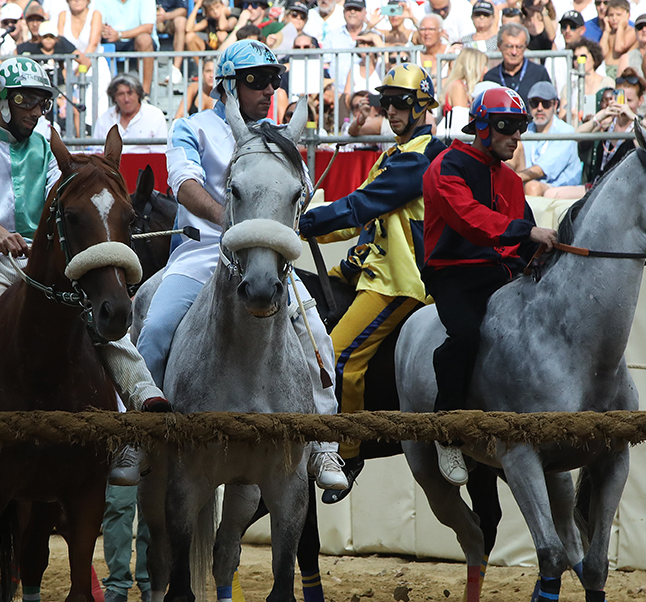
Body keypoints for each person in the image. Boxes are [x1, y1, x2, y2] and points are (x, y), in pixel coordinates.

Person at [0, 56, 167, 482]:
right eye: (24, 99)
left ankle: (141, 394)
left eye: (40, 101)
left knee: (98, 310)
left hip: (39, 262)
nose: (34, 109)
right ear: (1, 102)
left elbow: (64, 198)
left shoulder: (45, 145)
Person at [140, 40, 348, 491]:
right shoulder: (189, 127)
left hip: (267, 259)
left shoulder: (279, 134)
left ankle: (323, 443)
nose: (269, 89)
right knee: (153, 329)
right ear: (229, 86)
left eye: (274, 79)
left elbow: (298, 190)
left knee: (318, 340)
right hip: (201, 254)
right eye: (256, 80)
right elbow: (185, 185)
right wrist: (234, 223)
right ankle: (133, 436)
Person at [297, 64, 445, 500]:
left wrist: (307, 221)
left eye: (400, 103)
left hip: (400, 281)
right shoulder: (393, 155)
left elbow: (361, 204)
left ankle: (349, 449)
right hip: (366, 271)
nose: (391, 111)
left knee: (338, 356)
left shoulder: (421, 157)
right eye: (386, 103)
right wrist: (304, 229)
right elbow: (355, 221)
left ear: (421, 107)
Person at [422, 85, 558, 485]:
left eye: (520, 127)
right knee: (464, 334)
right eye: (506, 126)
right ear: (481, 127)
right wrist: (526, 232)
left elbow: (521, 242)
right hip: (453, 271)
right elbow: (470, 219)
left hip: (499, 273)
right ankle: (445, 429)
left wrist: (538, 255)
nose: (515, 136)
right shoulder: (446, 166)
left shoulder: (513, 184)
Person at [94, 0, 156, 85]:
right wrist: (103, 29)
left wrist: (120, 34)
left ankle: (145, 93)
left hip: (135, 40)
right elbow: (97, 20)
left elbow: (148, 27)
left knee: (144, 39)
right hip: (111, 39)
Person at [516, 81, 583, 195]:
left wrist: (510, 178)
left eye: (546, 103)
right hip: (530, 182)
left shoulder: (566, 131)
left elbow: (541, 170)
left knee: (532, 188)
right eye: (535, 103)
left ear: (555, 105)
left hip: (561, 187)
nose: (540, 108)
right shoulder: (525, 130)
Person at [93, 71, 169, 152]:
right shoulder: (104, 119)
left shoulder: (155, 116)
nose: (126, 99)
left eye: (130, 93)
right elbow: (96, 151)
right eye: (121, 94)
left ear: (138, 94)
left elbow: (160, 154)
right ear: (114, 97)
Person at [482, 23, 552, 103]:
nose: (514, 52)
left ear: (526, 46)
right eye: (509, 46)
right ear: (499, 46)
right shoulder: (490, 77)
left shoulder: (539, 73)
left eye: (519, 47)